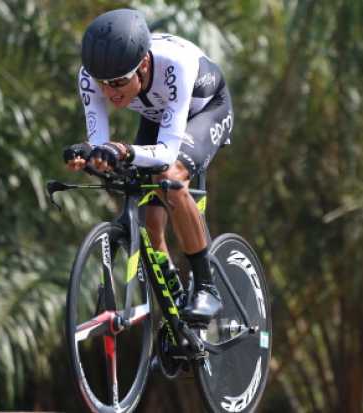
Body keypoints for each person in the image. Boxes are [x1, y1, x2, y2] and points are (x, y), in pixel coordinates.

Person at [63, 8, 233, 324]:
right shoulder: (91, 77)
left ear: (143, 64)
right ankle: (176, 316)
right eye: (102, 84)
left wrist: (124, 151)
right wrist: (89, 154)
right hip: (159, 117)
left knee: (171, 179)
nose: (109, 93)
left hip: (205, 110)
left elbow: (167, 153)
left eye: (117, 83)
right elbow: (100, 142)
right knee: (150, 223)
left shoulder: (174, 66)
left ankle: (208, 288)